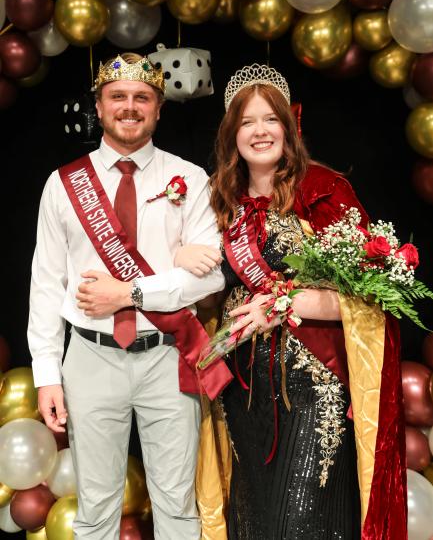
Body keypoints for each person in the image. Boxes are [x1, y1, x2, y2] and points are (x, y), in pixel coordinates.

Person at [175, 64, 407, 539]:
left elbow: (364, 299)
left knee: (303, 523)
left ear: (289, 126)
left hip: (312, 390)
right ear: (231, 134)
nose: (260, 131)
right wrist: (181, 254)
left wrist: (279, 305)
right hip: (243, 393)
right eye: (247, 122)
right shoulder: (216, 199)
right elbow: (205, 292)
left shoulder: (325, 190)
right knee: (253, 522)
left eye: (270, 119)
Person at [27, 52, 232, 540]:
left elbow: (211, 279)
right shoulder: (63, 184)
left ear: (158, 109)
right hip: (90, 359)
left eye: (142, 98)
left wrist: (130, 293)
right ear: (98, 107)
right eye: (118, 97)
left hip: (168, 358)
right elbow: (45, 283)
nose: (130, 107)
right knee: (95, 511)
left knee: (178, 509)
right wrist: (45, 374)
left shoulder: (191, 179)